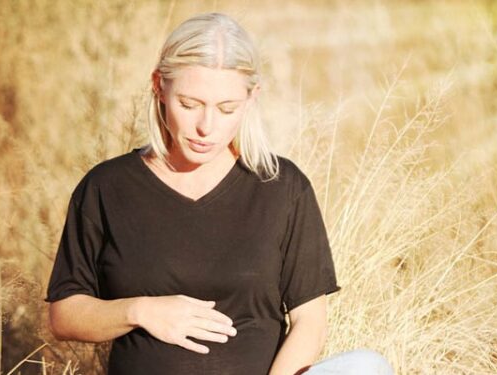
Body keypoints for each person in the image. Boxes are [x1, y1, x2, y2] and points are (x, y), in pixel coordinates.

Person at [44, 12, 393, 375]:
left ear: (251, 97)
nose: (206, 127)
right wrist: (141, 311)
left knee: (368, 367)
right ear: (159, 86)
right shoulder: (107, 187)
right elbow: (64, 314)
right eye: (190, 104)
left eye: (226, 109)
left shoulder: (283, 187)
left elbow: (310, 321)